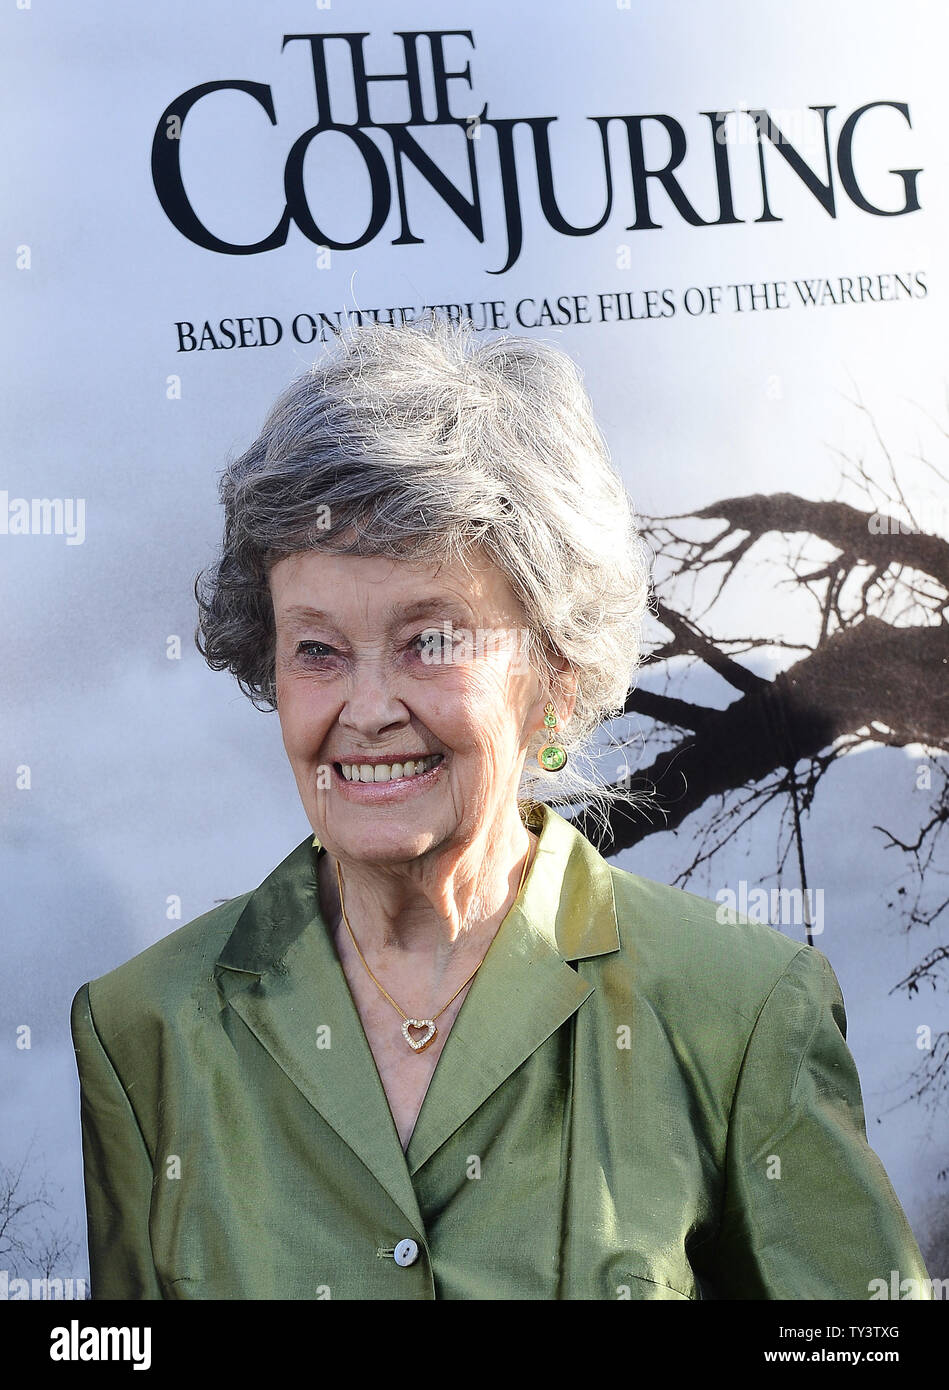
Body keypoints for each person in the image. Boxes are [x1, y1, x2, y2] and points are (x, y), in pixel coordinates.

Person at [70, 314, 932, 1300]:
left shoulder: (738, 1010)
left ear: (555, 678)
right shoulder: (144, 1029)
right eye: (317, 649)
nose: (367, 708)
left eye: (428, 640)